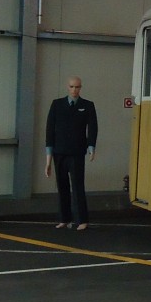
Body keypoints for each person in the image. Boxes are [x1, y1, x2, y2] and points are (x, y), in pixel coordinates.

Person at [45, 76, 98, 230]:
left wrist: (91, 147)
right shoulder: (57, 105)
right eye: (72, 87)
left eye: (77, 87)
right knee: (62, 186)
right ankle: (64, 218)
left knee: (77, 185)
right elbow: (49, 130)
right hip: (59, 152)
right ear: (67, 87)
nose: (74, 90)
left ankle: (82, 219)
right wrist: (48, 159)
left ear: (81, 88)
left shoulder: (87, 105)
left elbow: (93, 128)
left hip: (76, 152)